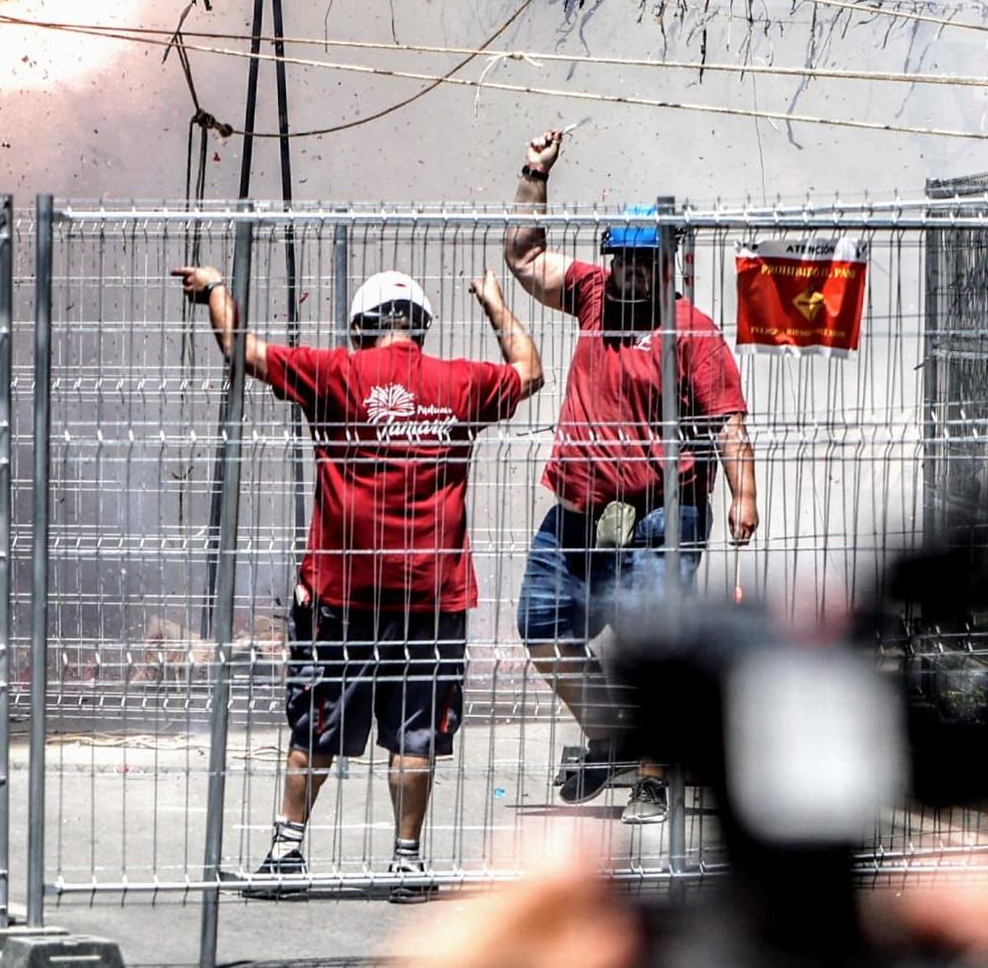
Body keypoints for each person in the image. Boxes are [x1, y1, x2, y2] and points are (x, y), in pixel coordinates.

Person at [172, 261, 543, 901]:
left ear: (360, 327)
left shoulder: (335, 373)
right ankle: (406, 862)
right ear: (421, 327)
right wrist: (494, 302)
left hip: (343, 594)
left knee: (315, 725)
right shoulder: (459, 383)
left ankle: (287, 856)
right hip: (432, 595)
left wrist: (214, 288)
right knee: (416, 730)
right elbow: (530, 370)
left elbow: (240, 349)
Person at [502, 129, 758, 824]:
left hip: (658, 512)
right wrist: (536, 173)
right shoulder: (590, 295)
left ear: (666, 262)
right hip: (581, 509)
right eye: (622, 257)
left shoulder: (690, 330)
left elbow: (728, 418)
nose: (630, 271)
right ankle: (614, 737)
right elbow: (523, 258)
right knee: (542, 623)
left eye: (644, 259)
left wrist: (745, 494)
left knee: (654, 643)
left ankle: (652, 773)